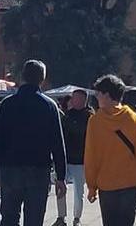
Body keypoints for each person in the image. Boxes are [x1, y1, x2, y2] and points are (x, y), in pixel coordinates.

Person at [0, 60, 67, 226]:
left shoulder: (7, 103)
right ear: (42, 80)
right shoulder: (49, 106)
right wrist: (61, 176)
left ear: (22, 77)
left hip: (9, 169)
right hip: (38, 169)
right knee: (35, 218)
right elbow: (57, 143)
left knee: (8, 217)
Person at [84, 74, 136, 226]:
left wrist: (92, 187)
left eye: (98, 93)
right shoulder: (134, 119)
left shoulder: (95, 122)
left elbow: (91, 157)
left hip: (107, 186)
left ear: (107, 95)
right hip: (131, 185)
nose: (97, 97)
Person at [56, 89, 92, 226]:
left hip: (81, 160)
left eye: (76, 98)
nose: (73, 100)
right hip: (66, 159)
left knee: (79, 191)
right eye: (73, 98)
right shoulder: (66, 116)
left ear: (84, 100)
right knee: (60, 187)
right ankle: (61, 216)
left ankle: (77, 218)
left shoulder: (89, 117)